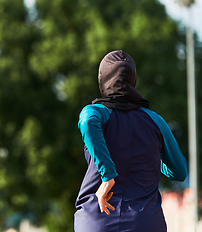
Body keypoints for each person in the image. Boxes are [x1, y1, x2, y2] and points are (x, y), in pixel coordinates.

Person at [74, 50, 188, 232]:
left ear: (102, 78)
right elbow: (179, 172)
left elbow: (87, 121)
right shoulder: (155, 120)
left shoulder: (98, 113)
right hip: (145, 222)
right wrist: (150, 156)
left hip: (97, 220)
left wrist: (108, 176)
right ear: (132, 80)